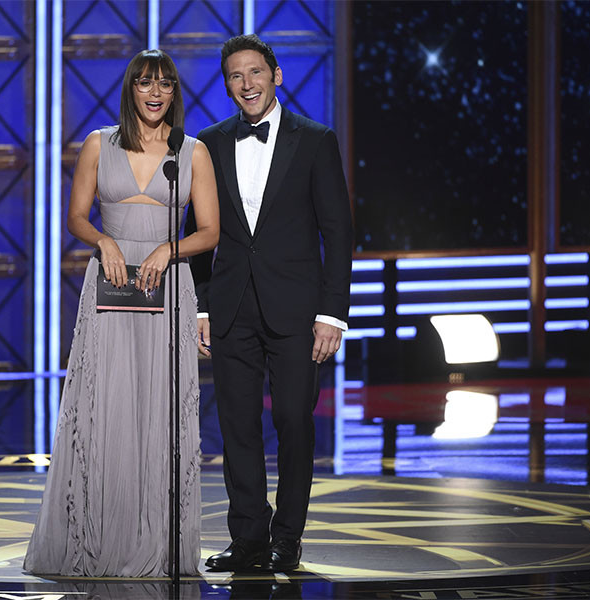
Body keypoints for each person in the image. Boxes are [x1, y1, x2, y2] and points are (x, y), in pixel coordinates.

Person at [23, 49, 219, 577]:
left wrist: (168, 249)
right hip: (108, 285)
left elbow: (210, 232)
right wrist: (106, 241)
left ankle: (156, 540)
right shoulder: (98, 143)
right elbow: (75, 218)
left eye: (165, 84)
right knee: (104, 409)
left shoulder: (192, 151)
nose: (155, 93)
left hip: (167, 286)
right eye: (144, 83)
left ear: (175, 93)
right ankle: (95, 538)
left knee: (159, 413)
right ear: (130, 89)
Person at [187, 34, 353, 572]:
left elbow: (339, 232)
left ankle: (288, 536)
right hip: (233, 309)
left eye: (255, 72)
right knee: (236, 427)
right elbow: (200, 233)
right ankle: (250, 540)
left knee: (293, 422)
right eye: (236, 75)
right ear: (226, 85)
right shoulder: (207, 144)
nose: (247, 83)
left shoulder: (315, 140)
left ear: (276, 76)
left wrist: (332, 314)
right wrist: (204, 307)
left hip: (298, 313)